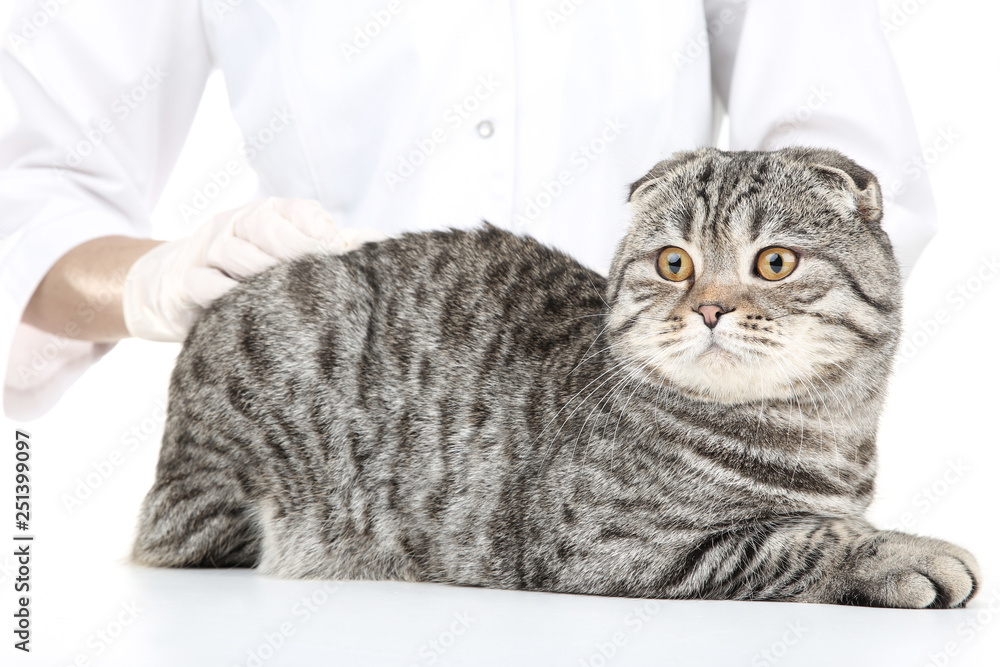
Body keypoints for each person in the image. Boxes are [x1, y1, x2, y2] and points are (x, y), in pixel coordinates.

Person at [0, 0, 936, 420]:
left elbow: (844, 183)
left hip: (652, 449)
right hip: (332, 451)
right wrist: (148, 283)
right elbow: (26, 187)